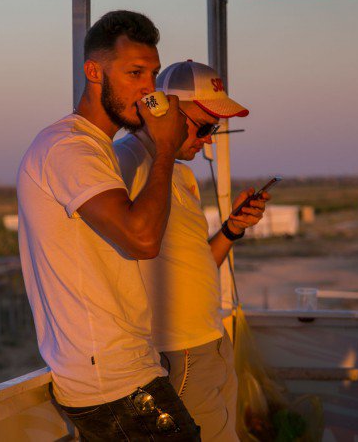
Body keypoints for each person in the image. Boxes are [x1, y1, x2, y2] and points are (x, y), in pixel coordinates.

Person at [16, 11, 200, 441]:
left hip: (125, 372)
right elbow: (142, 239)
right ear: (94, 72)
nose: (149, 88)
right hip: (114, 383)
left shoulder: (95, 148)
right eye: (135, 73)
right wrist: (166, 148)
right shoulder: (69, 147)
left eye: (153, 74)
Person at [115, 60, 269, 441]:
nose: (208, 140)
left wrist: (231, 229)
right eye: (203, 127)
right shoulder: (128, 161)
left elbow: (197, 264)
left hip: (210, 343)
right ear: (167, 111)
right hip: (178, 352)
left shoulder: (180, 174)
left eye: (214, 129)